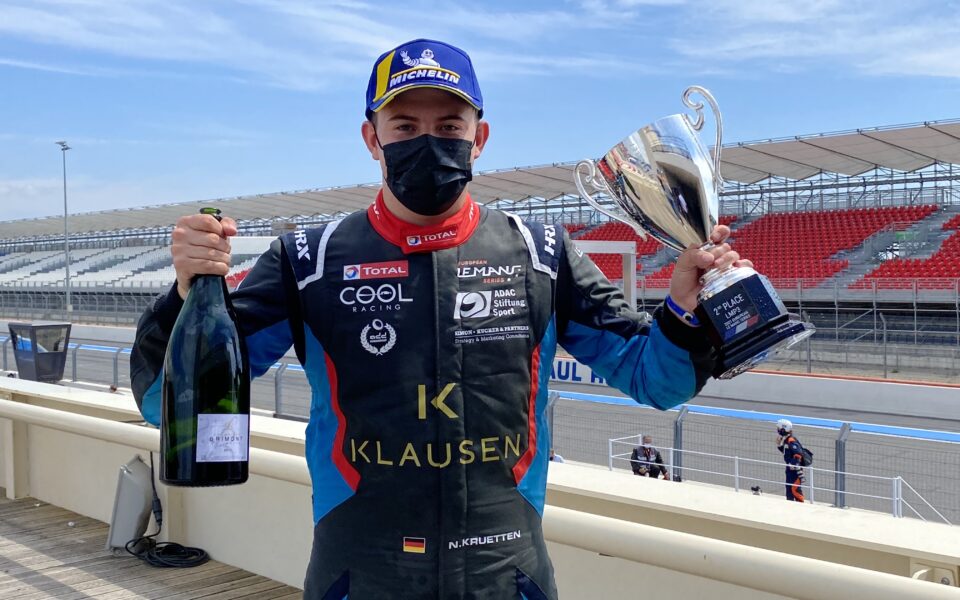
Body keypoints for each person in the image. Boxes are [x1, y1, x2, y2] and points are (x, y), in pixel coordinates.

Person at [130, 38, 750, 599]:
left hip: (506, 573)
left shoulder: (542, 254)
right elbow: (166, 402)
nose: (428, 140)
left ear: (479, 137)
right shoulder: (306, 261)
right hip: (359, 573)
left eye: (449, 124)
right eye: (404, 125)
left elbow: (657, 380)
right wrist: (185, 295)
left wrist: (682, 310)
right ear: (372, 138)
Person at [777, 419, 805, 502]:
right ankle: (790, 504)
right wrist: (779, 445)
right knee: (789, 489)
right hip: (789, 469)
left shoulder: (791, 440)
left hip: (795, 470)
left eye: (779, 428)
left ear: (783, 429)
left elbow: (798, 453)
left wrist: (792, 464)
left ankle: (801, 506)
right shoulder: (786, 439)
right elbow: (787, 452)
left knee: (795, 489)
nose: (778, 430)